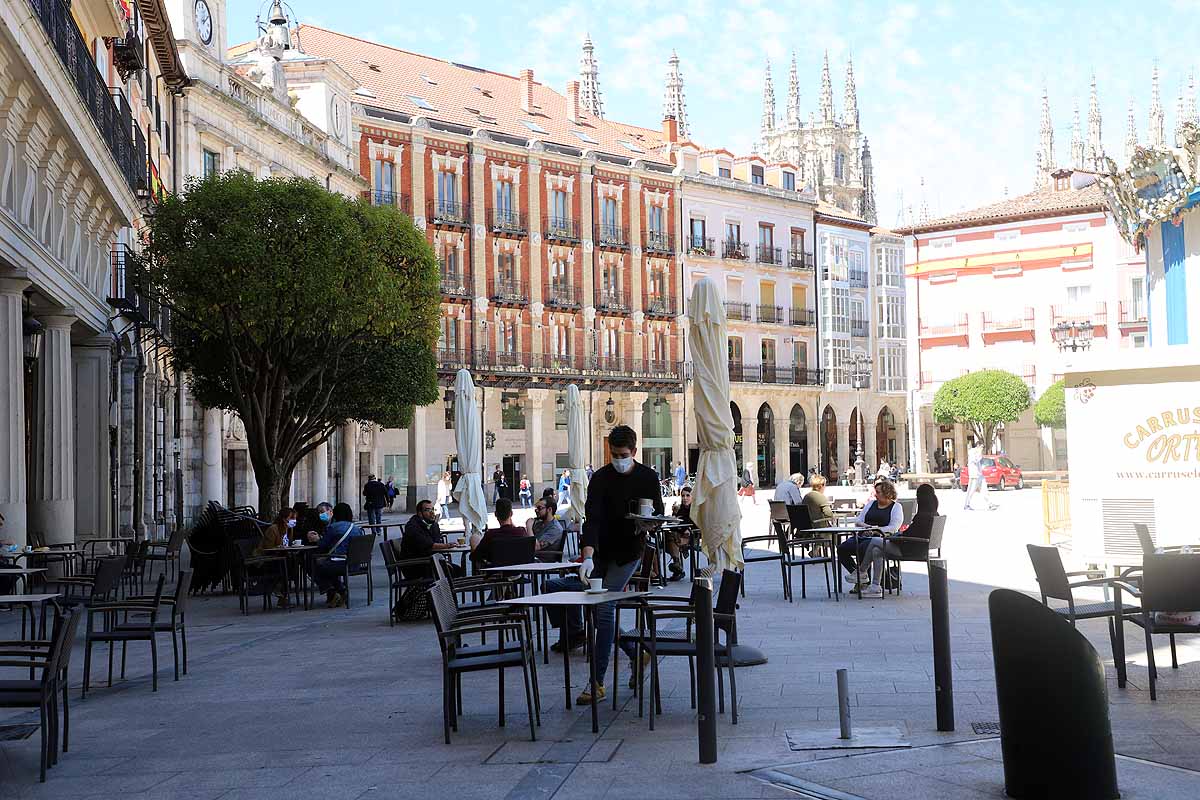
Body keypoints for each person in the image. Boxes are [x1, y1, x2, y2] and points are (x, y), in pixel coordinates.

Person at [544, 425, 662, 704]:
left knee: (604, 608)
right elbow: (592, 520)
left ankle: (596, 682)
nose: (618, 459)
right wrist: (586, 556)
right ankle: (635, 652)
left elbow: (658, 512)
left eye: (623, 454)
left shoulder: (648, 477)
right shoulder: (599, 478)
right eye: (613, 454)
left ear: (634, 451)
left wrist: (649, 523)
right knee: (597, 609)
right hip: (600, 552)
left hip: (629, 552)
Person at [837, 479, 904, 598]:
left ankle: (863, 581)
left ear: (887, 493)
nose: (875, 495)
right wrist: (866, 526)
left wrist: (876, 529)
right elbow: (858, 520)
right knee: (842, 548)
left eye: (878, 492)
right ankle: (859, 576)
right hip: (863, 534)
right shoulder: (871, 504)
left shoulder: (896, 507)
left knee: (864, 548)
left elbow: (894, 527)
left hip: (879, 538)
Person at [306, 502, 361, 607]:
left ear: (333, 512)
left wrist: (317, 539)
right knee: (325, 564)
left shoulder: (333, 527)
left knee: (314, 564)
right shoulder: (357, 528)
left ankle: (333, 591)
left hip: (341, 562)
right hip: (356, 564)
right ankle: (339, 591)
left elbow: (322, 545)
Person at [400, 499, 461, 579]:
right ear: (420, 513)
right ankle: (443, 591)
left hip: (429, 561)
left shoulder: (433, 525)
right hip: (415, 565)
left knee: (456, 569)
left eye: (433, 509)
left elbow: (436, 541)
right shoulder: (413, 527)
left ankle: (444, 590)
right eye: (427, 510)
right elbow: (429, 545)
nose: (432, 512)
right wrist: (447, 545)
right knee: (452, 570)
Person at [470, 498, 530, 568]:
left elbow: (476, 556)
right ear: (511, 514)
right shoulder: (521, 531)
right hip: (517, 571)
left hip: (495, 570)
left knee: (474, 537)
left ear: (495, 514)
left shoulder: (491, 534)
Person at [254, 507, 295, 607]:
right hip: (268, 559)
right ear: (284, 519)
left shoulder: (289, 530)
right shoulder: (273, 529)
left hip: (281, 557)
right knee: (285, 564)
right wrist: (278, 547)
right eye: (291, 518)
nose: (293, 521)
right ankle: (280, 592)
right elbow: (268, 549)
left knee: (291, 562)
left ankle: (281, 593)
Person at [665, 486, 696, 581]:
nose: (685, 498)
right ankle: (677, 564)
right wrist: (673, 515)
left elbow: (698, 524)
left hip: (692, 536)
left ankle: (677, 564)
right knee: (668, 534)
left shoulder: (696, 509)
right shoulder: (681, 509)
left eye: (688, 495)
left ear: (692, 497)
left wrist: (688, 528)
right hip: (679, 535)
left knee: (671, 537)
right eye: (683, 496)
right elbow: (677, 522)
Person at [963, 443, 997, 511]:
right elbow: (976, 460)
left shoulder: (978, 452)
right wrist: (979, 453)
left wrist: (979, 453)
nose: (982, 448)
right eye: (981, 446)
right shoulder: (972, 452)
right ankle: (966, 504)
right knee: (971, 490)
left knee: (984, 489)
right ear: (978, 446)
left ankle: (990, 504)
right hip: (974, 475)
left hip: (980, 475)